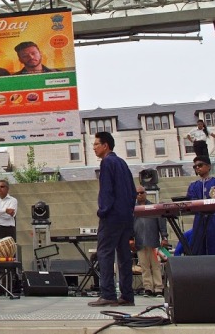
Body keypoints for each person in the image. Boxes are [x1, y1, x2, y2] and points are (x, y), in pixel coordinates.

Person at [89, 131, 137, 307]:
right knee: (124, 255)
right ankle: (127, 295)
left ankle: (108, 293)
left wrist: (103, 211)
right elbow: (132, 191)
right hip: (126, 215)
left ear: (105, 145)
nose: (93, 148)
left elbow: (107, 191)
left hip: (111, 216)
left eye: (96, 144)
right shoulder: (122, 163)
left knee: (105, 253)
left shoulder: (107, 162)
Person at [186, 155, 215, 255]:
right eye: (195, 167)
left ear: (209, 166)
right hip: (199, 220)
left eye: (200, 165)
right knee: (199, 246)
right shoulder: (193, 185)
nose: (197, 168)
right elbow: (191, 200)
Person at [132, 186, 168, 297]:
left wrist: (164, 237)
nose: (139, 195)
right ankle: (148, 287)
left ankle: (158, 288)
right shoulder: (133, 209)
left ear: (145, 193)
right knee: (144, 266)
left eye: (141, 193)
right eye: (137, 193)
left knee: (156, 266)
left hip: (153, 242)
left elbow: (161, 223)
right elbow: (129, 226)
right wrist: (130, 239)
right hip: (139, 242)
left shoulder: (153, 207)